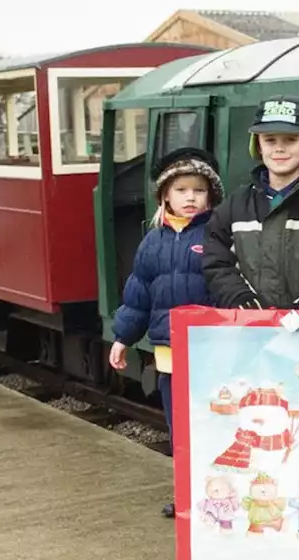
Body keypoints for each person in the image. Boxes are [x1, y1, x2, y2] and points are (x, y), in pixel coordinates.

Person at [109, 147, 224, 519]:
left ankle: (223, 494)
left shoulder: (218, 235)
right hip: (170, 354)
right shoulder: (152, 242)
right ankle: (189, 495)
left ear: (211, 196)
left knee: (218, 425)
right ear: (165, 196)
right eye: (181, 190)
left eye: (199, 190)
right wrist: (123, 336)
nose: (190, 197)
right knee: (182, 429)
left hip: (213, 351)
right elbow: (138, 295)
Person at [202, 95, 299, 310]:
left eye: (290, 139)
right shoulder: (235, 206)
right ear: (257, 145)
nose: (279, 148)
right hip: (251, 331)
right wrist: (240, 298)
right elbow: (216, 260)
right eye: (270, 140)